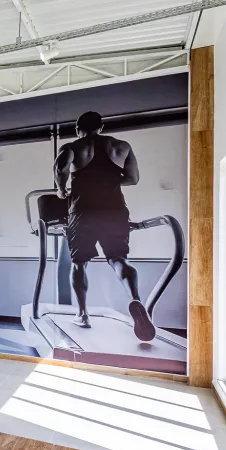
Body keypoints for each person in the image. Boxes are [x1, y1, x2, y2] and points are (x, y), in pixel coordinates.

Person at [54, 111, 155, 341]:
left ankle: (82, 314)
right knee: (118, 259)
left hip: (83, 211)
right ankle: (136, 299)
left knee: (79, 263)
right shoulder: (122, 146)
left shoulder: (72, 147)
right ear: (101, 127)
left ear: (78, 129)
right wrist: (107, 179)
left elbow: (60, 169)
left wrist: (61, 190)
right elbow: (132, 179)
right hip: (115, 209)